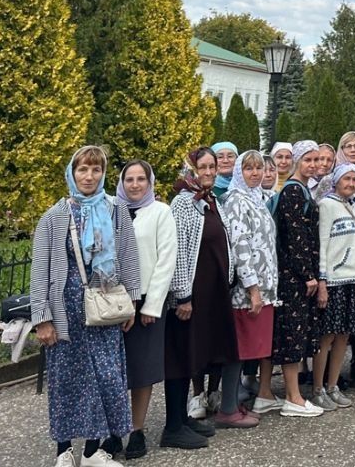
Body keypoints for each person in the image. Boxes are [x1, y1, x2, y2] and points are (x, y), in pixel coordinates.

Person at [33, 146, 141, 467]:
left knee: (104, 378)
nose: (89, 176)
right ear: (72, 172)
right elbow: (40, 268)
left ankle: (93, 451)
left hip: (104, 307)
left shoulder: (115, 210)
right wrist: (42, 318)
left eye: (96, 170)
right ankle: (64, 450)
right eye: (83, 169)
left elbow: (128, 255)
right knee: (67, 379)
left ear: (104, 173)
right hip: (66, 311)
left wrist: (131, 301)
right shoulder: (54, 216)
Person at [164, 148, 238, 448]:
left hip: (212, 294)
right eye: (202, 167)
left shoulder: (210, 200)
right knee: (182, 358)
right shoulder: (183, 202)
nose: (208, 172)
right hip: (190, 296)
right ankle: (172, 426)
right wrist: (182, 295)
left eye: (212, 167)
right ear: (191, 170)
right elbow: (178, 250)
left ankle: (184, 420)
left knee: (197, 356)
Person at [116, 161, 177, 460]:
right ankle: (113, 431)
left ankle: (136, 430)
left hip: (146, 303)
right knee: (113, 371)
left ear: (150, 182)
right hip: (113, 303)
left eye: (141, 179)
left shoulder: (160, 212)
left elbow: (166, 260)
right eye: (129, 179)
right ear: (121, 181)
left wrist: (151, 304)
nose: (135, 184)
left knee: (141, 370)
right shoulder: (111, 211)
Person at [265, 140, 324, 418]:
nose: (312, 165)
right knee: (292, 333)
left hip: (298, 274)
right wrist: (308, 275)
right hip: (293, 276)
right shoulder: (292, 191)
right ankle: (293, 397)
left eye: (316, 160)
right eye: (308, 160)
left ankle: (292, 394)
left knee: (297, 332)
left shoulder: (301, 190)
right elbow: (296, 236)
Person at [220, 151, 278, 429]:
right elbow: (240, 245)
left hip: (263, 287)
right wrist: (253, 288)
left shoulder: (256, 198)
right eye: (249, 168)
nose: (255, 173)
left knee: (247, 350)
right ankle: (227, 408)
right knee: (238, 350)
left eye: (259, 168)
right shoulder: (235, 200)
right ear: (238, 172)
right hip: (245, 292)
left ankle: (235, 402)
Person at [313, 162, 355, 411]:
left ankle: (333, 385)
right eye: (347, 179)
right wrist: (322, 281)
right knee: (327, 336)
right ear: (337, 180)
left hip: (352, 280)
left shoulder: (352, 206)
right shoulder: (327, 205)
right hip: (332, 280)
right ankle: (317, 388)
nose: (351, 184)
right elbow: (322, 244)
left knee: (344, 335)